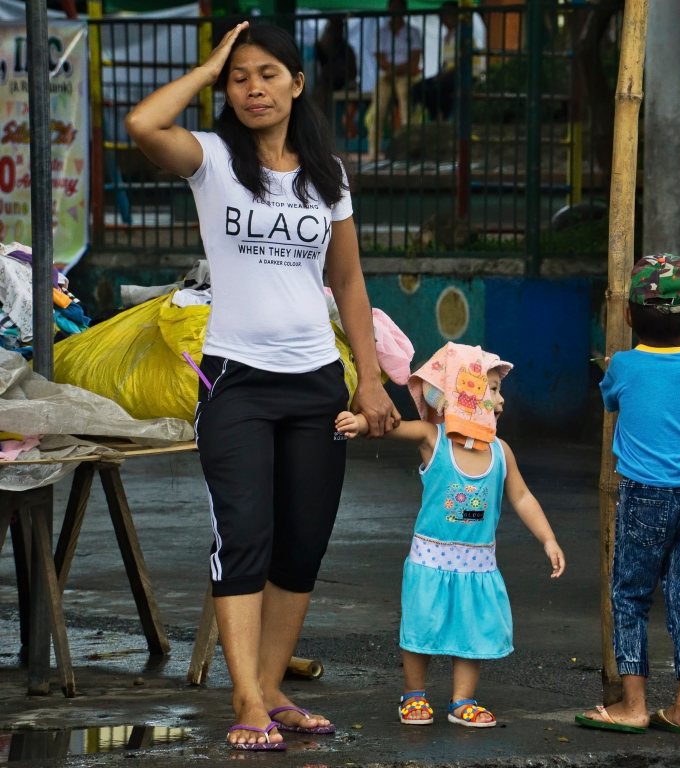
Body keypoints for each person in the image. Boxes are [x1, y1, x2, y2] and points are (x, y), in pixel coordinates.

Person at [124, 21, 399, 751]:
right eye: (240, 76)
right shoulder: (210, 159)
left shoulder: (327, 174)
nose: (253, 87)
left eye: (268, 73)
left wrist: (368, 380)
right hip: (237, 381)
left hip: (316, 382)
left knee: (301, 543)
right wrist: (209, 64)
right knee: (243, 536)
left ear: (298, 83)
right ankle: (245, 697)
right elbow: (143, 123)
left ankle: (273, 688)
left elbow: (347, 280)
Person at [335, 342, 566, 728]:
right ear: (464, 390)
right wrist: (360, 423)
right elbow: (392, 429)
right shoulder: (433, 439)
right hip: (431, 560)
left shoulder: (500, 452)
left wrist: (548, 539)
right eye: (492, 388)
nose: (501, 399)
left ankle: (463, 700)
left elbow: (523, 497)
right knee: (420, 628)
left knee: (472, 631)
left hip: (478, 563)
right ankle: (414, 695)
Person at [576, 253, 680, 737]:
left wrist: (614, 365)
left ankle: (634, 705)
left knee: (631, 596)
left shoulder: (625, 366)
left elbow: (611, 400)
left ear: (629, 316)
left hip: (645, 497)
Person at [365, 0, 422, 157]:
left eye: (398, 8)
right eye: (392, 8)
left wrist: (395, 70)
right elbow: (380, 57)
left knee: (407, 106)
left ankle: (409, 150)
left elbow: (415, 61)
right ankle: (373, 152)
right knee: (377, 111)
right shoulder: (381, 32)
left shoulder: (413, 32)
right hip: (387, 76)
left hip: (407, 75)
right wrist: (392, 70)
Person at [409, 1, 458, 121]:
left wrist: (444, 75)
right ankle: (433, 118)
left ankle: (442, 118)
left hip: (458, 75)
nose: (441, 19)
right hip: (448, 74)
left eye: (443, 15)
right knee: (418, 88)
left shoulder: (462, 33)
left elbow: (462, 62)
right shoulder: (448, 36)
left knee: (436, 89)